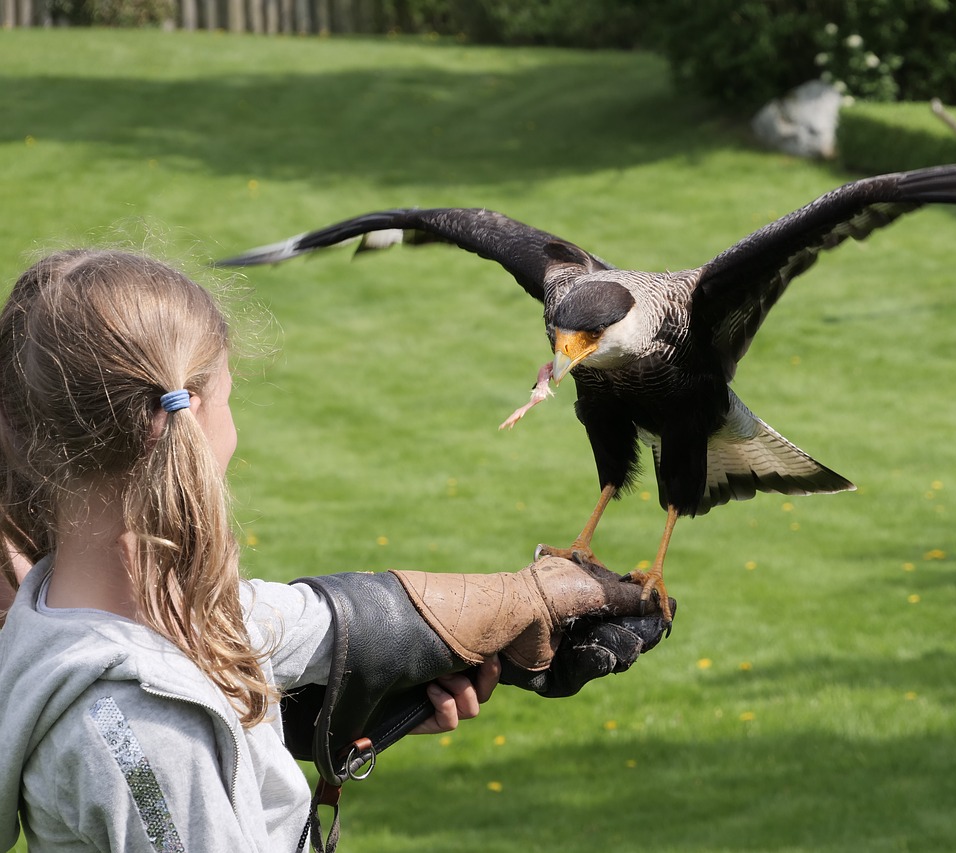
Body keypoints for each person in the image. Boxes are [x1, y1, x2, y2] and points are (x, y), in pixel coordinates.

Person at [0, 250, 671, 852]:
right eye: (229, 399)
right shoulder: (144, 733)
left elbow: (267, 623)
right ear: (186, 417)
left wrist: (489, 615)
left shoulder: (92, 609)